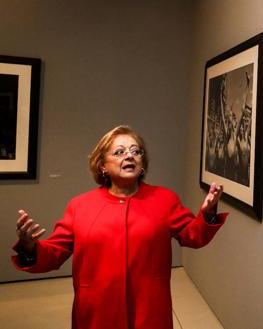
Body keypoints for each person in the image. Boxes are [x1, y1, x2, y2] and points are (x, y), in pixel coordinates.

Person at [12, 125, 228, 329]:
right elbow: (55, 253)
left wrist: (207, 213)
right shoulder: (80, 206)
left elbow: (193, 236)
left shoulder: (165, 199)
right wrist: (30, 247)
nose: (129, 156)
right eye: (119, 151)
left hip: (149, 309)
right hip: (96, 311)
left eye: (136, 151)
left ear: (142, 163)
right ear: (102, 165)